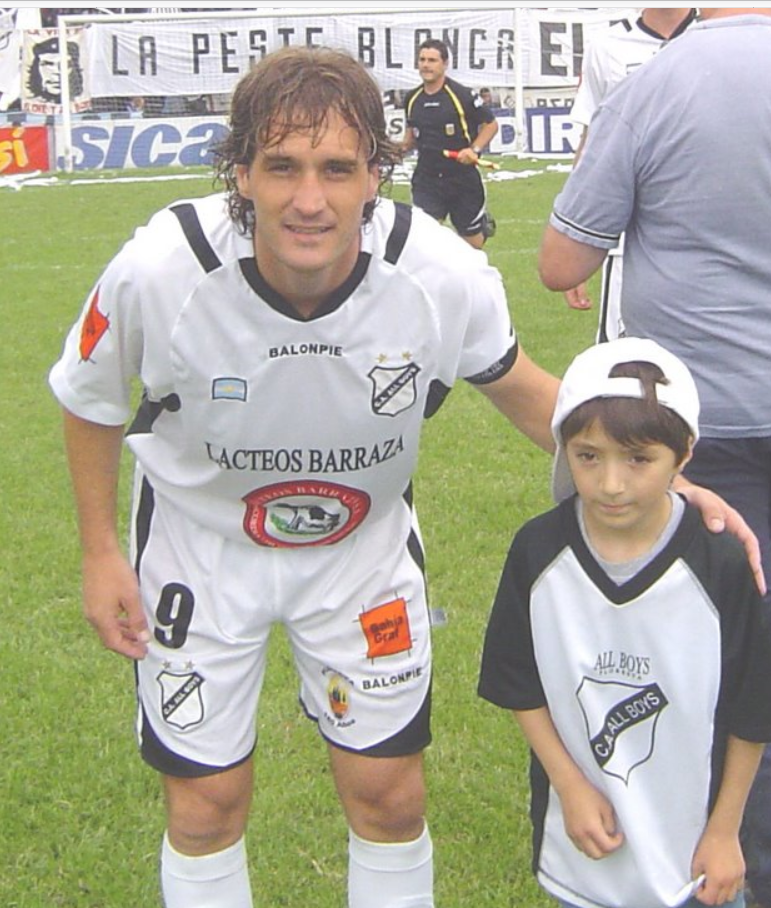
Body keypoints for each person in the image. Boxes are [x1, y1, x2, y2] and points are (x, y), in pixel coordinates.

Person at [48, 42, 758, 908]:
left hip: (361, 555)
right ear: (240, 172)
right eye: (282, 167)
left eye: (339, 169)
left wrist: (668, 489)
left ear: (376, 174)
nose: (310, 200)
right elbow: (89, 398)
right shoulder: (161, 269)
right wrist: (97, 552)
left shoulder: (436, 274)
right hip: (199, 551)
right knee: (204, 807)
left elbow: (528, 392)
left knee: (388, 796)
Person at [538, 11, 771, 905]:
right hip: (703, 438)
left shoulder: (660, 81)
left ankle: (718, 861)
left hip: (697, 437)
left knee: (704, 675)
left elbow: (563, 261)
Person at [479, 337, 771, 908]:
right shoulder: (538, 552)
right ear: (565, 449)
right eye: (589, 456)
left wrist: (724, 829)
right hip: (587, 841)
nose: (611, 484)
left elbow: (752, 707)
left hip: (696, 856)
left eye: (638, 459)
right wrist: (569, 784)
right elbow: (519, 683)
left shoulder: (720, 564)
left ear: (684, 455)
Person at [562, 7, 696, 335]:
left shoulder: (717, 35)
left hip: (706, 236)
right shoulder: (607, 46)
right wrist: (574, 247)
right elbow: (591, 143)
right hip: (628, 243)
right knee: (627, 364)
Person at [402, 38, 498, 249]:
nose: (426, 65)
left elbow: (491, 125)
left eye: (432, 60)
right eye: (422, 60)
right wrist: (391, 151)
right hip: (427, 180)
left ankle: (481, 226)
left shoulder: (462, 95)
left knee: (471, 246)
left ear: (445, 64)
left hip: (462, 180)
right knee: (425, 242)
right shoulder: (411, 99)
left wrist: (473, 150)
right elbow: (409, 141)